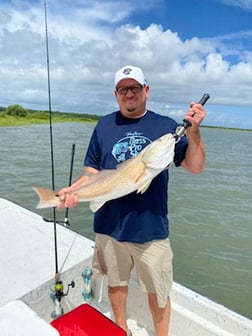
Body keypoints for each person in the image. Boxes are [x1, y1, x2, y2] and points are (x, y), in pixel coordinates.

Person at [57, 65, 207, 336]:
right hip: (109, 227)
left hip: (152, 231)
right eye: (123, 89)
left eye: (135, 87)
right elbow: (92, 170)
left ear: (146, 91)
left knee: (158, 294)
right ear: (116, 94)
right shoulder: (104, 125)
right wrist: (72, 190)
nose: (129, 94)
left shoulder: (165, 127)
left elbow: (195, 167)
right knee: (116, 283)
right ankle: (120, 330)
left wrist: (194, 131)